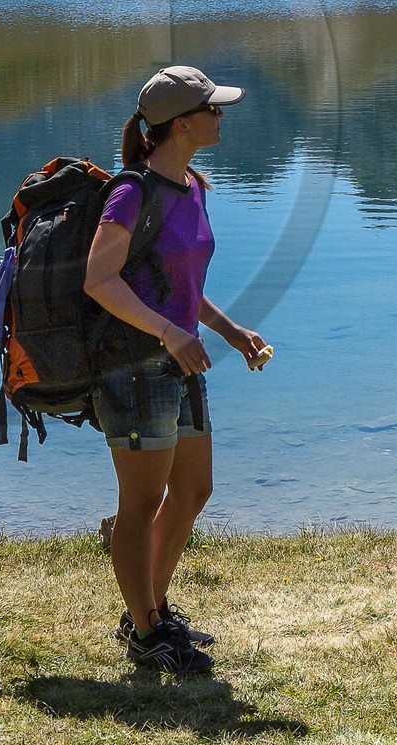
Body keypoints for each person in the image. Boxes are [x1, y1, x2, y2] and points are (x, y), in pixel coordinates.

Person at [84, 65, 269, 674]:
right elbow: (99, 281)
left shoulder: (192, 184)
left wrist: (229, 330)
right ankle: (144, 630)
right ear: (181, 124)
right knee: (142, 500)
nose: (222, 117)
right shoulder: (130, 193)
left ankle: (152, 609)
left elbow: (182, 284)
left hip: (178, 358)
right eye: (213, 110)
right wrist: (168, 332)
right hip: (135, 365)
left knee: (193, 490)